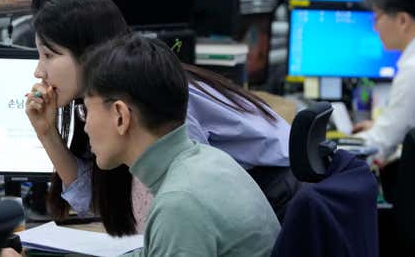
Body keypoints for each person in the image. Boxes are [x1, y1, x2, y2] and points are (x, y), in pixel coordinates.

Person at [26, 0, 294, 236]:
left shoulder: (155, 103)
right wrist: (47, 133)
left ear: (87, 53)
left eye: (49, 55)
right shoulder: (110, 101)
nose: (39, 71)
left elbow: (187, 204)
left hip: (278, 195)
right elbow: (101, 202)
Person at [81, 34, 280, 256]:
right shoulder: (209, 159)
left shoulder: (179, 203)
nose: (85, 126)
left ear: (120, 116)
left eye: (87, 111)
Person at [354, 0, 415, 162]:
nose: (375, 27)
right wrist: (379, 126)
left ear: (402, 20)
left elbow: (378, 145)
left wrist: (327, 146)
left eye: (377, 17)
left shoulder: (413, 70)